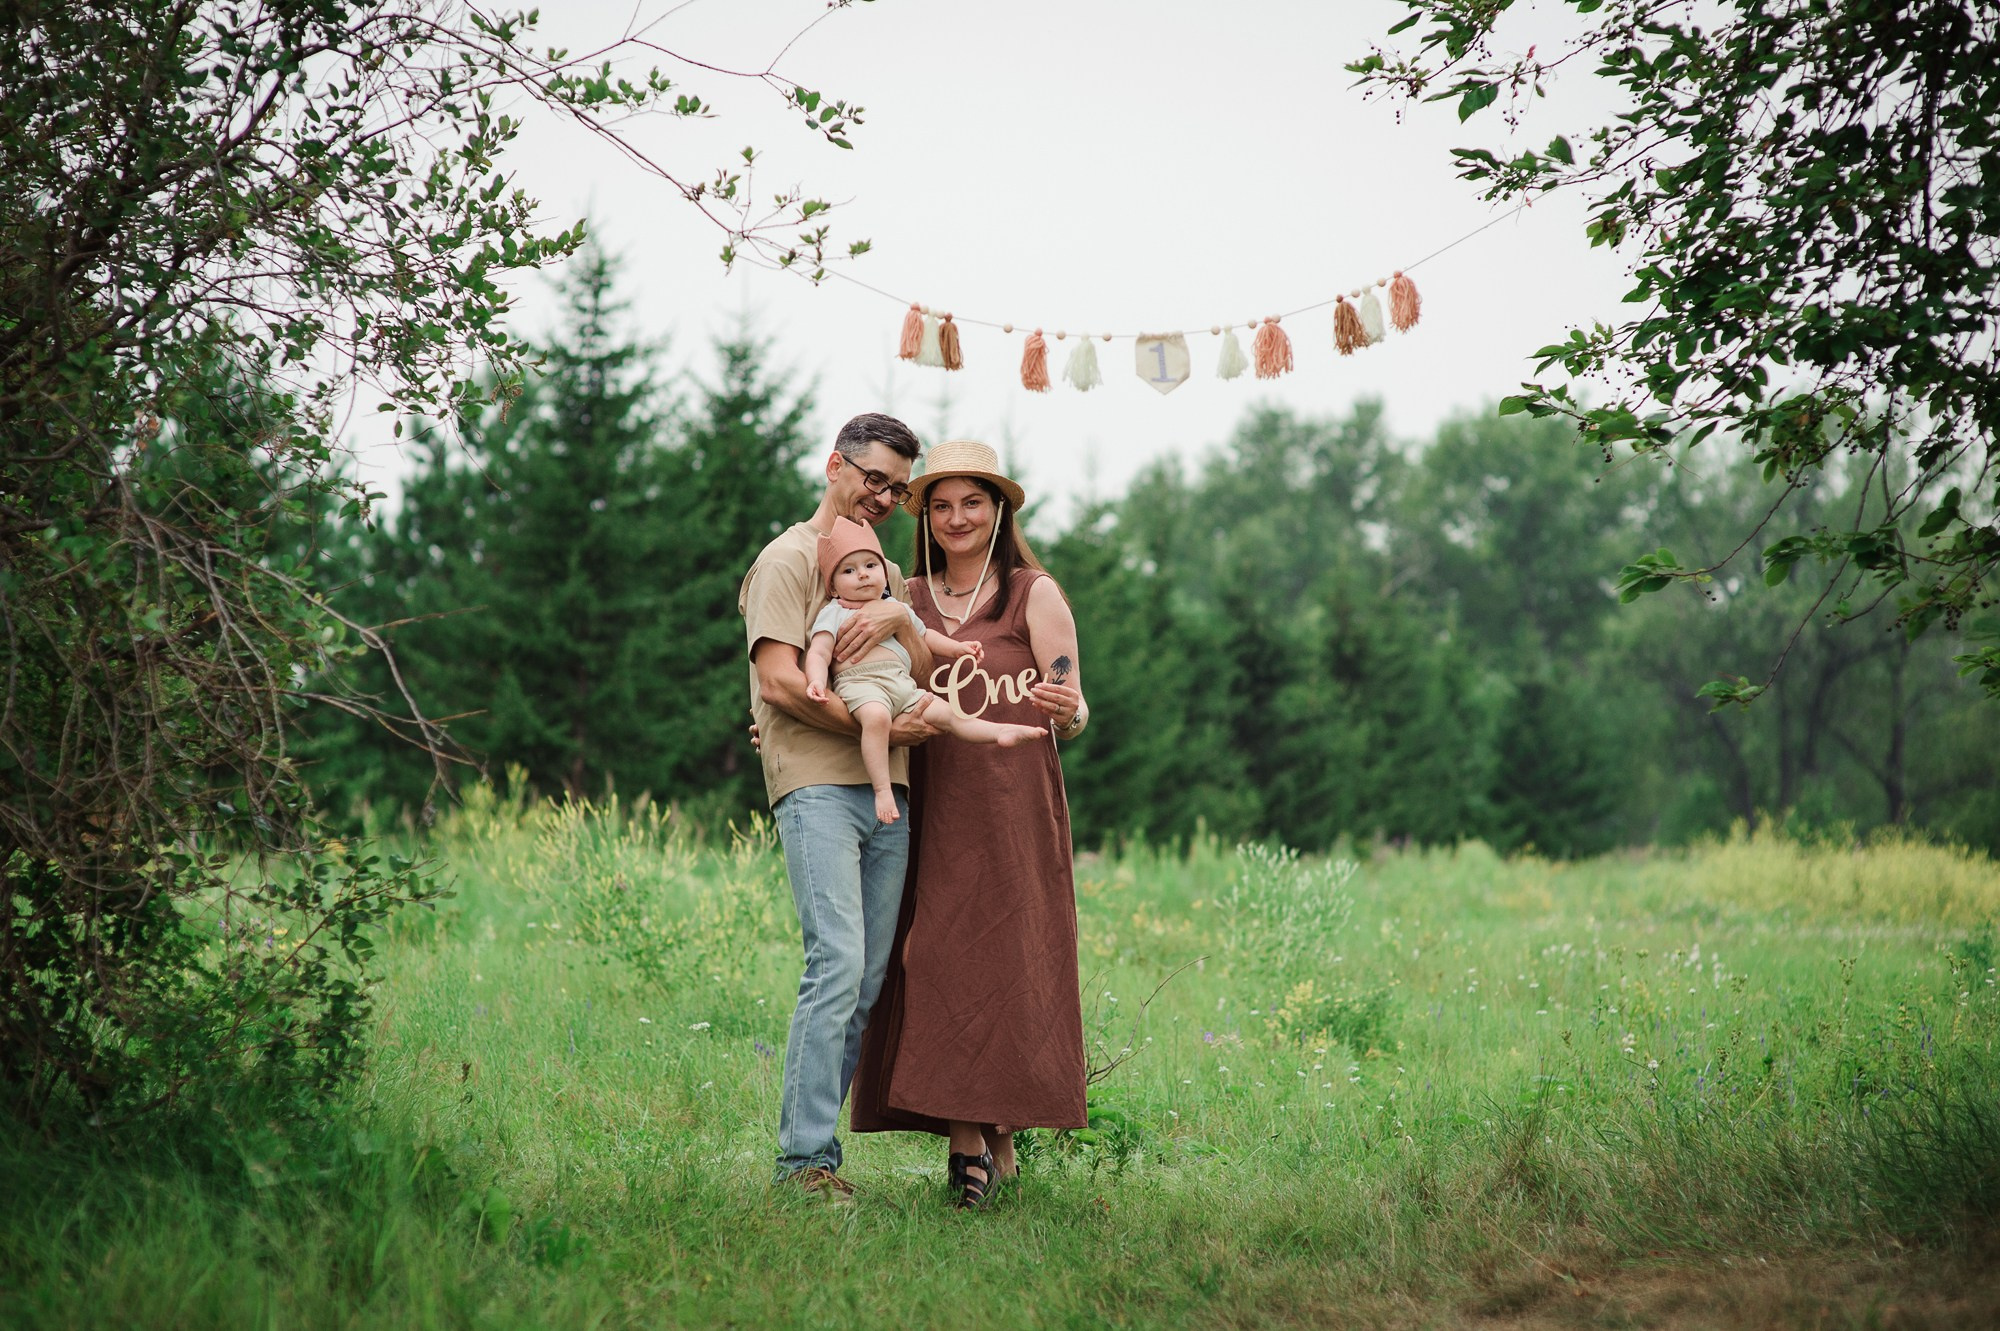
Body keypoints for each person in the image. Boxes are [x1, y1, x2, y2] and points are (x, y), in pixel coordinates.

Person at [850, 439, 1091, 1209]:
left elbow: (1074, 703)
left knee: (1010, 962)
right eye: (943, 505)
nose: (957, 518)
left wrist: (1070, 709)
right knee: (940, 954)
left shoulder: (1032, 594)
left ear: (999, 509)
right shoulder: (904, 596)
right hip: (930, 797)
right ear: (926, 516)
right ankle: (968, 1138)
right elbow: (859, 677)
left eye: (972, 502)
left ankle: (997, 1139)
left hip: (1015, 801)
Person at [738, 412, 940, 1197]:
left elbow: (918, 659)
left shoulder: (880, 570)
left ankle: (817, 1155)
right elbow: (781, 681)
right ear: (835, 465)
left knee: (867, 978)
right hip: (817, 785)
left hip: (891, 791)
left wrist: (898, 615)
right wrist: (868, 721)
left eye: (897, 486)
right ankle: (803, 1162)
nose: (884, 495)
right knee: (837, 963)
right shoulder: (789, 559)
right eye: (873, 477)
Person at [805, 517, 1047, 825]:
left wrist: (957, 648)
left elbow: (925, 637)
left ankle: (998, 731)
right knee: (876, 718)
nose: (863, 576)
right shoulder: (835, 612)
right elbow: (820, 651)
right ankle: (882, 790)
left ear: (884, 571)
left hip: (901, 686)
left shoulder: (899, 609)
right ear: (833, 584)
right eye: (849, 571)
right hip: (862, 686)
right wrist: (815, 680)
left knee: (946, 713)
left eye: (870, 566)